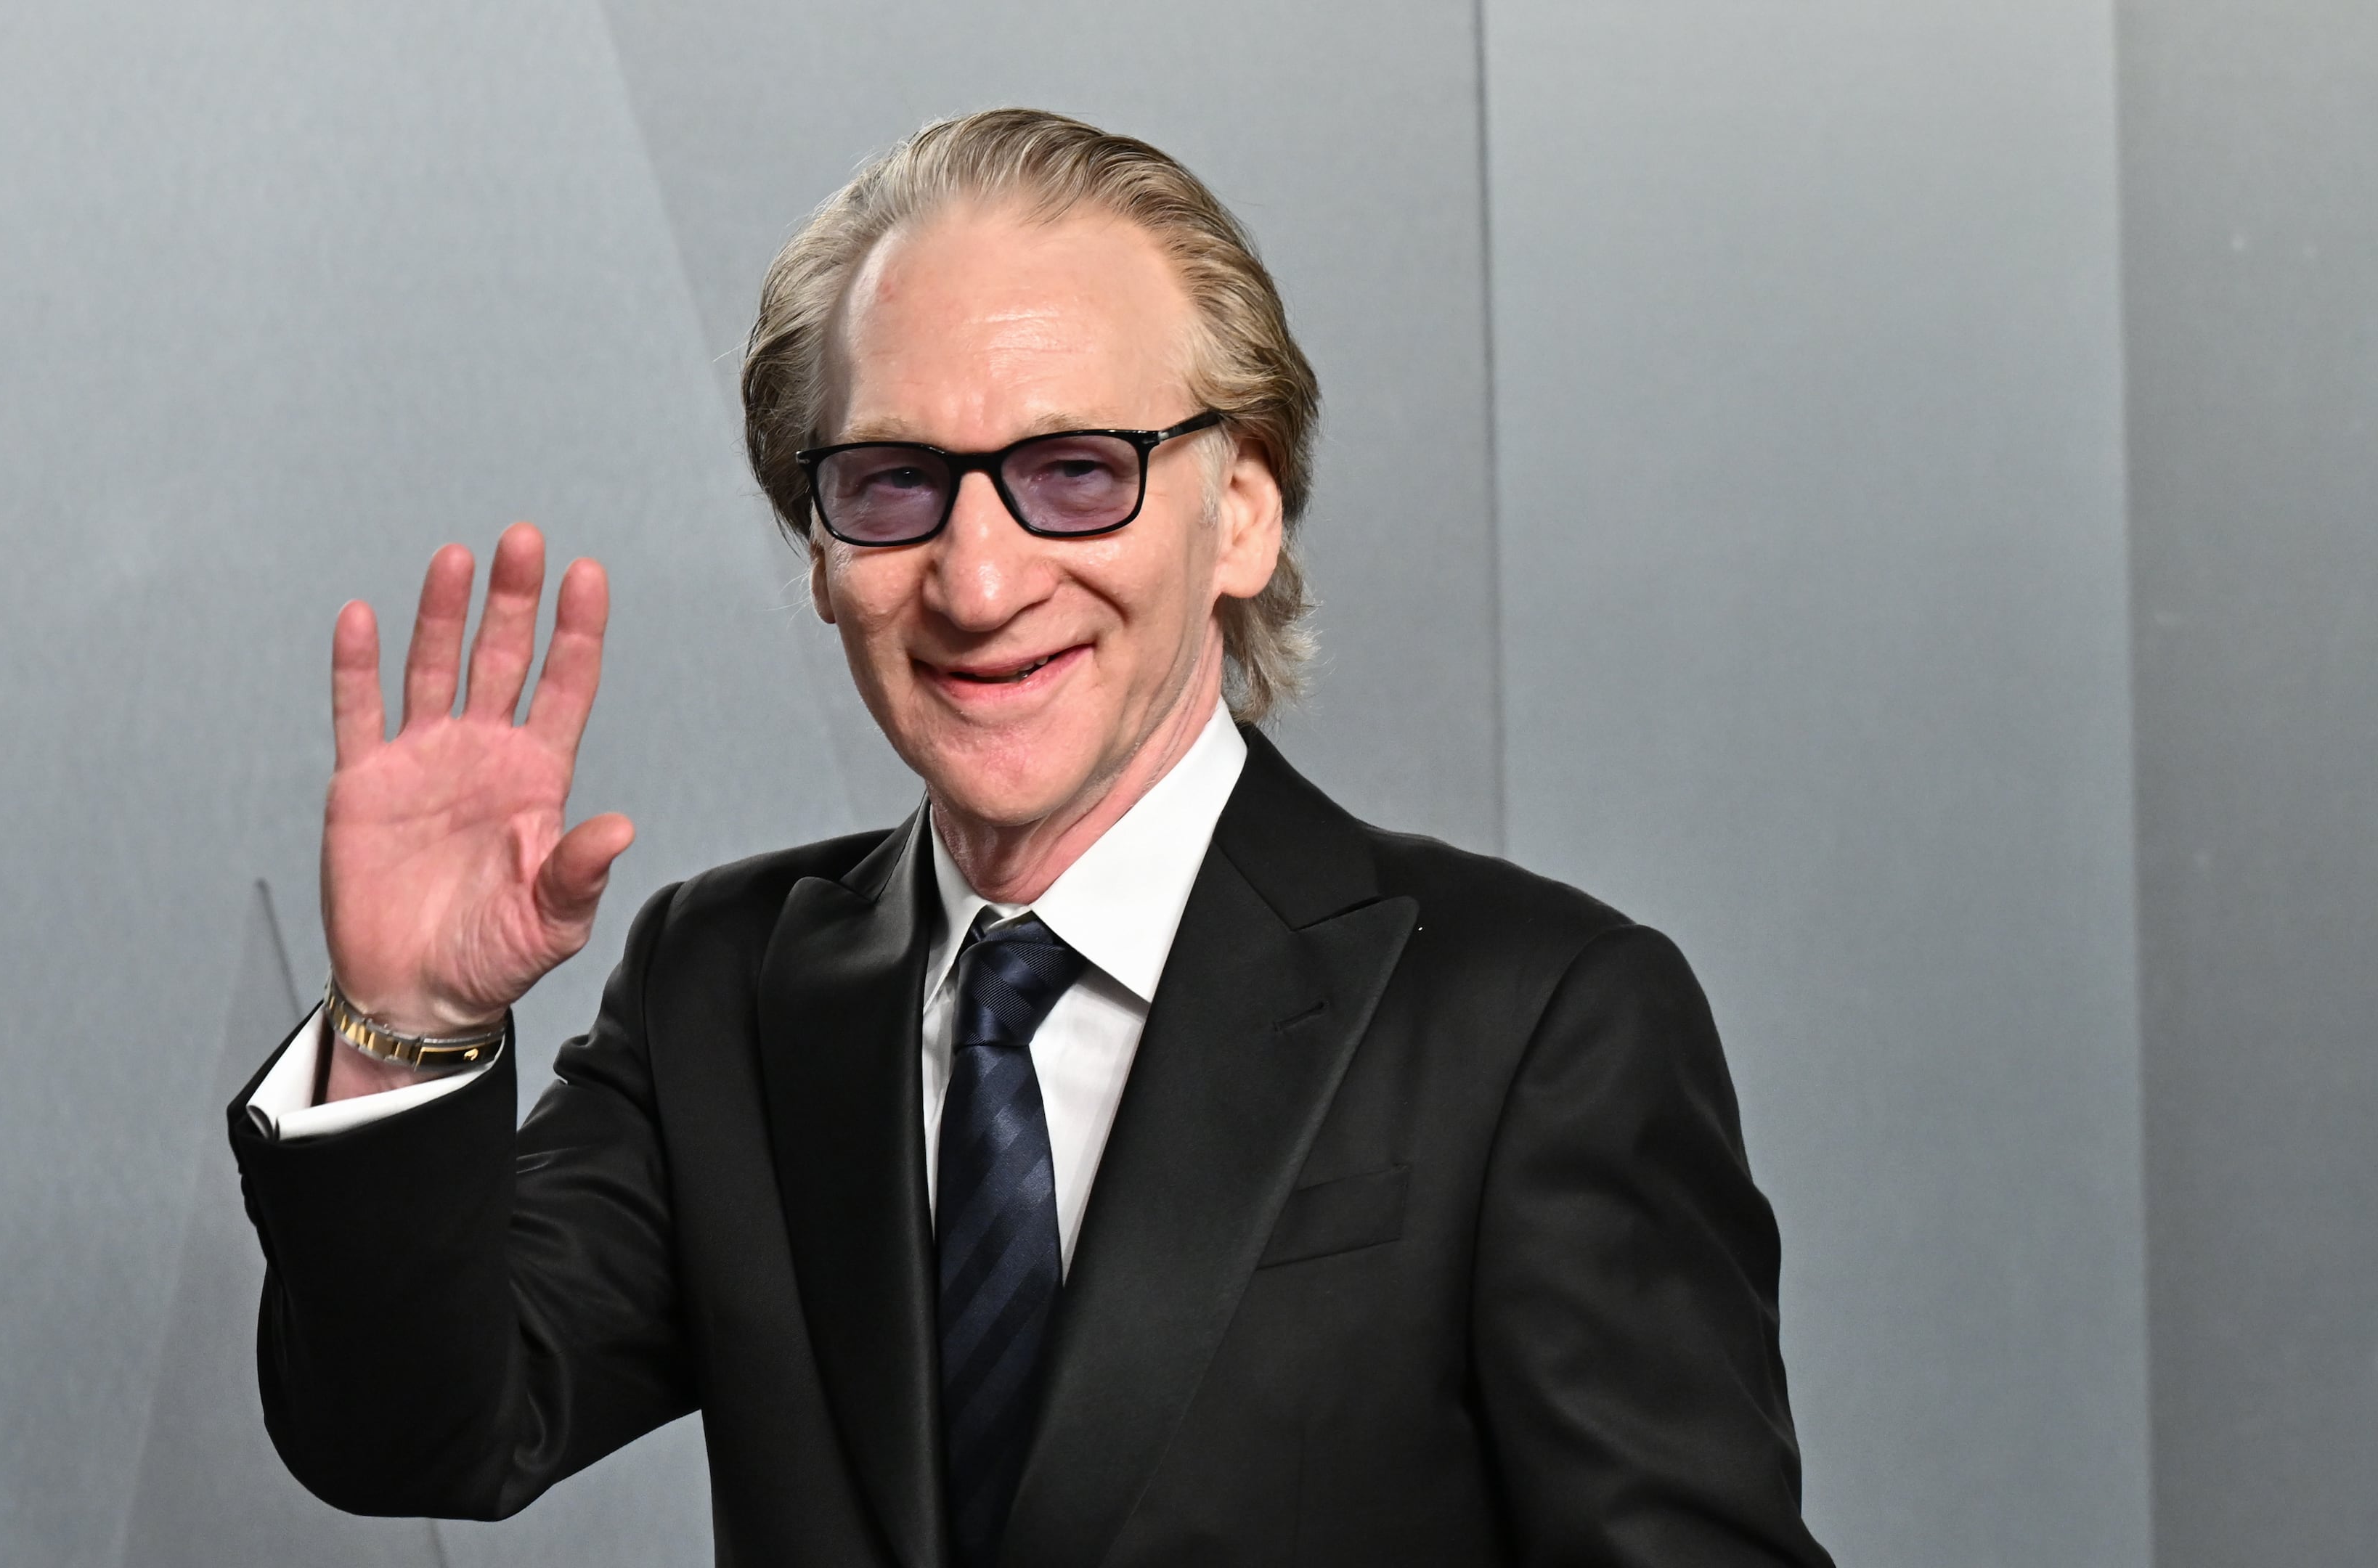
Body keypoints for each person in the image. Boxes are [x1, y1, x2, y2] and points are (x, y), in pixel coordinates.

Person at [227, 108, 1835, 1567]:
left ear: (1246, 509)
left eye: (1077, 473)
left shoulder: (1539, 1021)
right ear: (823, 548)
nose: (979, 582)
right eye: (895, 483)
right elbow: (418, 1430)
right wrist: (410, 1029)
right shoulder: (727, 985)